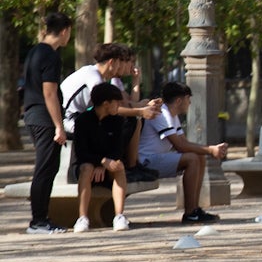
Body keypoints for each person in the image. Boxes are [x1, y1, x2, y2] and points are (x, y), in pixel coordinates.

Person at [61, 42, 161, 182]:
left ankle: (129, 165)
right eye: (121, 63)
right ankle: (119, 165)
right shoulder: (93, 76)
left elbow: (117, 106)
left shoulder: (99, 76)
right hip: (69, 121)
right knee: (126, 121)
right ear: (111, 62)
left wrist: (139, 111)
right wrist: (140, 111)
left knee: (127, 120)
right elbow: (113, 109)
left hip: (82, 119)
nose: (122, 67)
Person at [137, 81, 228, 223]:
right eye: (188, 99)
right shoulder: (161, 114)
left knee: (199, 156)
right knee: (192, 159)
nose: (190, 103)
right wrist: (211, 150)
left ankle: (195, 209)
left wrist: (209, 150)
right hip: (147, 161)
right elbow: (180, 146)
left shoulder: (172, 116)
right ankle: (190, 213)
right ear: (179, 100)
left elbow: (185, 143)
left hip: (159, 158)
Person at [22, 12, 73, 234]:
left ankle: (42, 218)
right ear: (64, 31)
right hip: (44, 118)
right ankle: (38, 220)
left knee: (49, 167)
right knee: (44, 168)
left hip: (34, 115)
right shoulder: (51, 56)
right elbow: (50, 92)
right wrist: (59, 126)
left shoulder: (35, 51)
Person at [70, 83, 131, 233]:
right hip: (85, 166)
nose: (119, 106)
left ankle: (119, 216)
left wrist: (105, 164)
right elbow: (81, 152)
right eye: (117, 102)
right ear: (106, 104)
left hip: (107, 167)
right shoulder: (82, 121)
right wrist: (100, 161)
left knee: (119, 166)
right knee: (87, 167)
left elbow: (118, 149)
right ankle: (82, 218)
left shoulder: (117, 121)